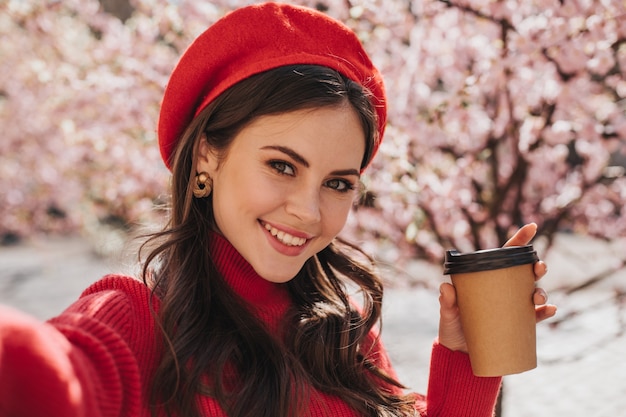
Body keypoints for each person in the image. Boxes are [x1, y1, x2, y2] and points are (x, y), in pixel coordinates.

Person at [0, 3, 557, 417]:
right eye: (282, 166)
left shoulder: (342, 338)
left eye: (338, 182)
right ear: (206, 156)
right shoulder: (137, 320)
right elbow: (47, 375)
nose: (309, 212)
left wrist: (462, 357)